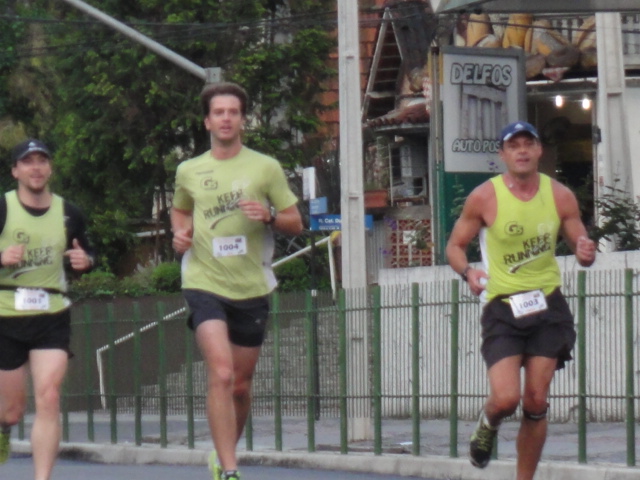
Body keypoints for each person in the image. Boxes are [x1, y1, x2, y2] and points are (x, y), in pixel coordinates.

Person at [445, 121, 596, 480]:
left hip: (547, 305)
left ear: (539, 150)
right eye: (514, 146)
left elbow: (581, 246)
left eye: (529, 144)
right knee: (506, 398)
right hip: (502, 307)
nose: (523, 151)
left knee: (536, 401)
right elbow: (454, 246)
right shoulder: (485, 197)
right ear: (503, 155)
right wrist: (468, 272)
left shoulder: (560, 195)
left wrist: (585, 252)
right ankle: (489, 421)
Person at [171, 82, 303, 480]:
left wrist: (269, 216)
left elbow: (295, 222)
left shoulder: (265, 167)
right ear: (207, 121)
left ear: (243, 119)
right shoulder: (189, 170)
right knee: (222, 373)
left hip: (251, 285)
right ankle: (230, 470)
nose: (226, 119)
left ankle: (223, 453)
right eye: (219, 112)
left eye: (233, 112)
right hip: (203, 281)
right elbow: (180, 211)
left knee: (241, 386)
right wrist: (180, 234)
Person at [0, 139, 95, 480]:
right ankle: (4, 428)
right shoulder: (3, 208)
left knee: (49, 396)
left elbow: (89, 252)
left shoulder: (70, 213)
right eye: (28, 162)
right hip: (5, 314)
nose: (36, 168)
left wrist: (86, 260)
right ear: (15, 171)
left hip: (51, 313)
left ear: (50, 168)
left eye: (42, 161)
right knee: (11, 411)